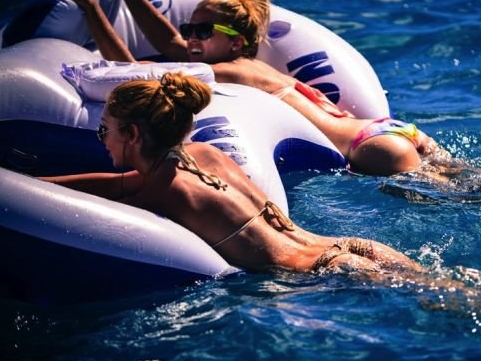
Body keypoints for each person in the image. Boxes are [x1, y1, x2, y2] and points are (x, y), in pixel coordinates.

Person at [44, 0, 481, 184]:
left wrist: (93, 9)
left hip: (367, 149)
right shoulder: (250, 64)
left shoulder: (226, 69)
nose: (190, 40)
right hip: (390, 130)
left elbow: (133, 68)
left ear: (235, 39)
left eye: (202, 31)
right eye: (189, 30)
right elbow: (171, 44)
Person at [40, 73, 422, 274]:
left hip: (322, 272)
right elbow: (118, 184)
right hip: (352, 248)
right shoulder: (203, 155)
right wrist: (37, 184)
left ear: (133, 134)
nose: (103, 139)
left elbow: (107, 202)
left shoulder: (161, 191)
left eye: (104, 130)